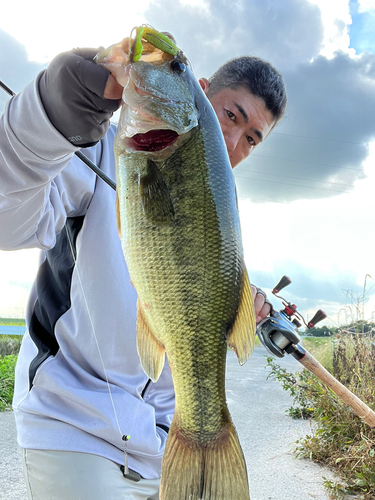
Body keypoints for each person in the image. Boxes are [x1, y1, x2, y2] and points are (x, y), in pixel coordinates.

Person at [0, 40, 287, 500]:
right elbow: (6, 221)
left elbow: (189, 310)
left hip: (160, 438)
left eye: (252, 138)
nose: (235, 142)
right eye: (232, 116)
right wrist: (45, 116)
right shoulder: (94, 147)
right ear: (202, 91)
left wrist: (238, 302)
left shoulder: (221, 207)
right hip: (73, 426)